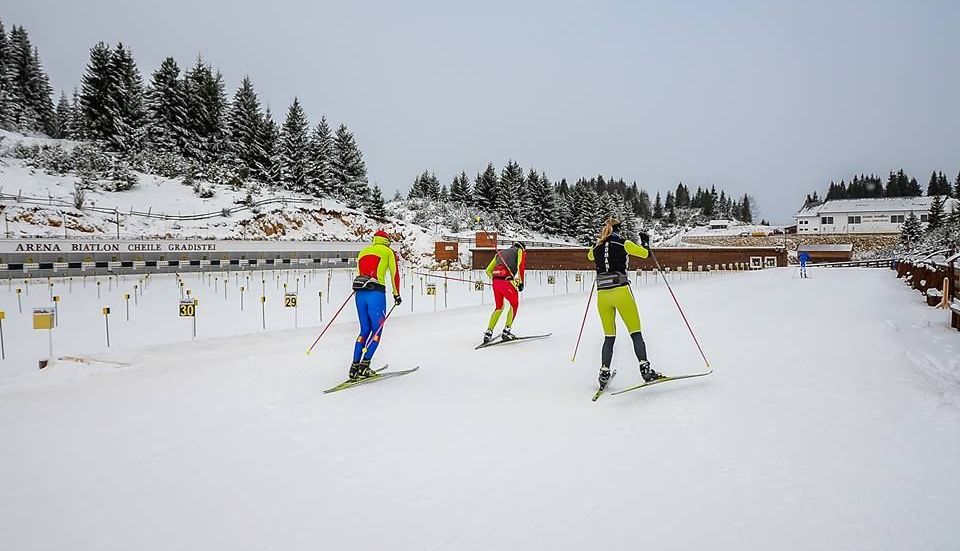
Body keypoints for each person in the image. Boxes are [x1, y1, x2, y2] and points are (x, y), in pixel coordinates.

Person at [587, 219, 664, 390]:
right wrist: (645, 242)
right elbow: (645, 254)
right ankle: (645, 369)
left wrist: (600, 241)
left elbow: (590, 256)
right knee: (635, 332)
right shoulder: (624, 243)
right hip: (621, 290)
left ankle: (604, 373)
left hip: (602, 295)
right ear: (619, 230)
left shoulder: (597, 246)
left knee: (609, 336)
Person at [350, 229, 402, 380]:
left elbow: (360, 272)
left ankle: (354, 368)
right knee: (377, 330)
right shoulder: (387, 251)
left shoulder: (363, 252)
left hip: (360, 294)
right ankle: (365, 366)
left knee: (364, 330)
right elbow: (394, 274)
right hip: (376, 294)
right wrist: (396, 294)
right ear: (386, 240)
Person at [482, 241, 526, 343]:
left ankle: (489, 332)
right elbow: (520, 266)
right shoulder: (520, 251)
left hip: (496, 282)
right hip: (507, 281)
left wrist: (495, 279)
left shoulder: (499, 253)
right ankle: (507, 331)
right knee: (514, 304)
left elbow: (488, 270)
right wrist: (521, 282)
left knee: (499, 307)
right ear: (522, 248)